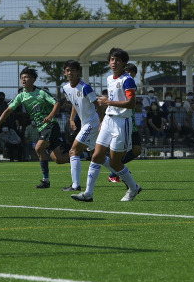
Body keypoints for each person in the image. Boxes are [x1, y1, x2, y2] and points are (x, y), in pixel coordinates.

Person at [72, 47, 142, 202]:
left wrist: (108, 102)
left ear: (123, 63)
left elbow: (131, 104)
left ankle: (133, 187)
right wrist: (104, 117)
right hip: (109, 120)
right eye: (111, 59)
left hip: (121, 123)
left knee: (115, 162)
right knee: (96, 155)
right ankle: (88, 193)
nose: (114, 62)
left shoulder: (127, 80)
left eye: (117, 60)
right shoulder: (110, 79)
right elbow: (109, 102)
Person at [0, 67, 68, 189]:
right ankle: (80, 156)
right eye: (22, 78)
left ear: (33, 79)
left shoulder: (41, 92)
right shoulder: (21, 96)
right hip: (41, 128)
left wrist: (50, 116)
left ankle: (46, 180)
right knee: (59, 159)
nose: (24, 80)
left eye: (26, 77)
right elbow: (8, 111)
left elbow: (57, 103)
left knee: (38, 148)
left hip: (51, 125)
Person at [59, 60, 100, 192]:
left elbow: (98, 105)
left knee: (73, 151)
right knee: (97, 155)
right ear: (65, 72)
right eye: (68, 70)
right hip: (84, 124)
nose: (70, 73)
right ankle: (124, 176)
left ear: (78, 72)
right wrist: (71, 119)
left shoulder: (85, 87)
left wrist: (102, 123)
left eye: (73, 70)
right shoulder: (65, 88)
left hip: (92, 123)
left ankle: (75, 185)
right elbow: (74, 104)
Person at [108, 62, 143, 183]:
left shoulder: (130, 84)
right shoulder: (120, 84)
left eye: (131, 73)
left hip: (131, 123)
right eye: (126, 72)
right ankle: (114, 174)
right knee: (121, 151)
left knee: (137, 150)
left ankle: (117, 168)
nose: (128, 75)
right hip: (122, 122)